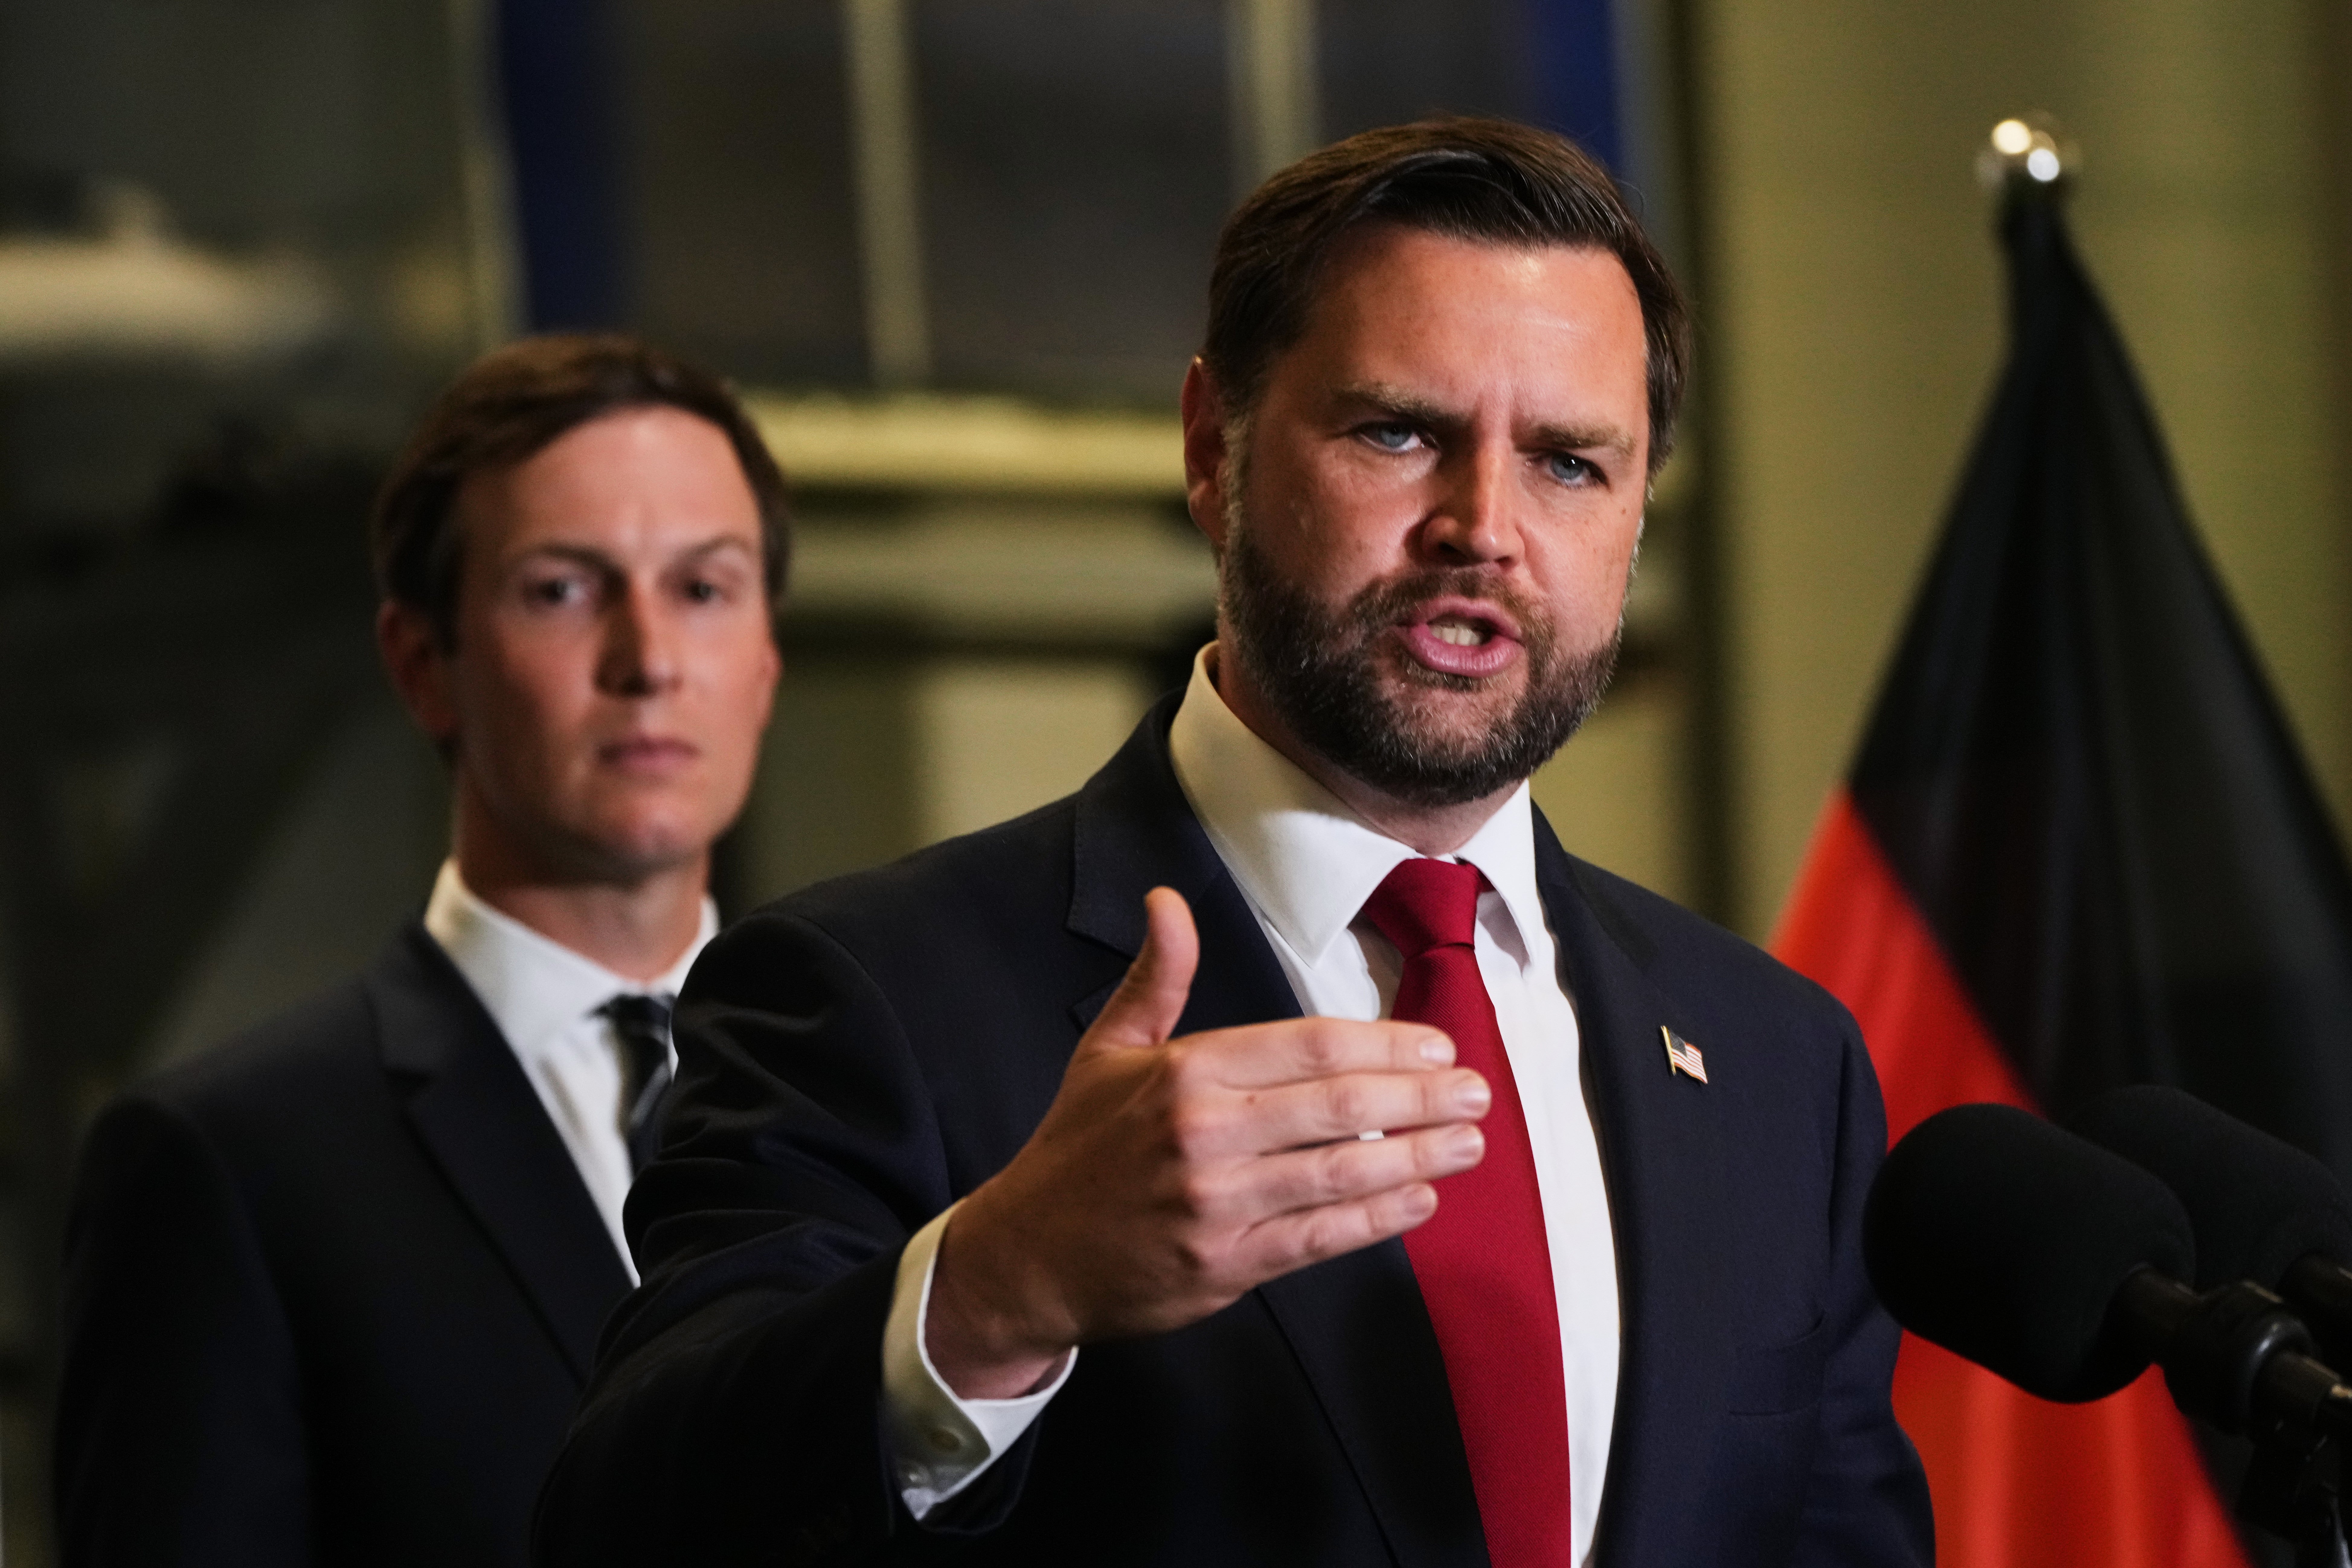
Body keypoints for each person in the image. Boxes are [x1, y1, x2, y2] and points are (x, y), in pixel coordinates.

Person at [536, 119, 1933, 1568]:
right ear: (1212, 449)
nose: (1484, 529)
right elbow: (625, 1525)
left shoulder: (1780, 1065)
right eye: (1398, 431)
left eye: (1570, 462)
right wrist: (1001, 1285)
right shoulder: (869, 994)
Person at [54, 334, 788, 1568]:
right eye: (562, 589)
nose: (649, 661)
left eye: (703, 589)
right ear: (421, 664)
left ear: (766, 657)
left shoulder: (891, 1088)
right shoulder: (230, 1165)